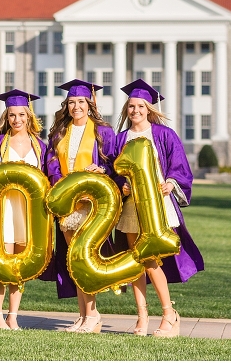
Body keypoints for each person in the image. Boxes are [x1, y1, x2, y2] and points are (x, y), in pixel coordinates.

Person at [113, 79, 204, 338]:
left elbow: (180, 167)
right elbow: (114, 171)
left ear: (149, 108)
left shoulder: (164, 135)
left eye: (140, 106)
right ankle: (142, 316)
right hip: (131, 207)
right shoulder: (121, 139)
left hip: (157, 206)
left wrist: (171, 183)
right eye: (131, 106)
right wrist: (122, 186)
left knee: (151, 260)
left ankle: (169, 314)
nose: (135, 111)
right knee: (135, 262)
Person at [44, 79, 116, 334]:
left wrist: (103, 169)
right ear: (67, 105)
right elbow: (51, 165)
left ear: (90, 104)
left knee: (85, 258)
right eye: (72, 102)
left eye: (81, 102)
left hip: (92, 204)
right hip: (68, 204)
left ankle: (93, 315)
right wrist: (60, 186)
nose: (76, 106)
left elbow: (114, 163)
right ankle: (85, 316)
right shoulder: (60, 133)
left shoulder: (102, 131)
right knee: (74, 260)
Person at [0, 89, 47, 330]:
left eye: (21, 115)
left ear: (29, 117)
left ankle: (13, 315)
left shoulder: (41, 147)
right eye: (11, 115)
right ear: (6, 118)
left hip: (28, 214)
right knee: (1, 261)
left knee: (20, 263)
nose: (17, 120)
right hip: (3, 211)